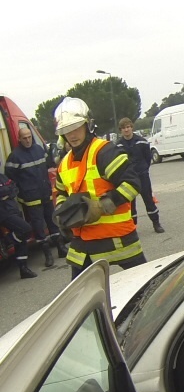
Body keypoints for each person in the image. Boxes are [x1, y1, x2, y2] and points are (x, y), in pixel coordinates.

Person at [52, 97, 147, 279]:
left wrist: (103, 205)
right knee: (80, 293)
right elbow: (61, 193)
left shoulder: (105, 152)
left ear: (87, 125)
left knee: (147, 284)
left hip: (117, 239)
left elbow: (132, 184)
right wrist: (62, 212)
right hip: (83, 244)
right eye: (67, 130)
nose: (72, 135)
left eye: (76, 127)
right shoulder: (64, 163)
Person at [5, 125, 65, 266]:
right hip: (31, 199)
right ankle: (47, 255)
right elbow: (10, 179)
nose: (27, 140)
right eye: (24, 138)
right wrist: (22, 193)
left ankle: (61, 248)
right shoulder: (15, 156)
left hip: (45, 194)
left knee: (52, 222)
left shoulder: (39, 149)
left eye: (29, 137)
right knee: (38, 227)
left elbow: (48, 165)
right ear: (19, 139)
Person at [116, 117, 164, 233]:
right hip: (128, 179)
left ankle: (156, 224)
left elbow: (148, 158)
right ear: (121, 130)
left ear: (132, 127)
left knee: (149, 201)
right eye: (123, 128)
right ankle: (132, 228)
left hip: (142, 176)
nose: (126, 130)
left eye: (128, 127)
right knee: (130, 205)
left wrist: (143, 169)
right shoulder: (118, 145)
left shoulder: (142, 142)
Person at [0, 172, 37, 278]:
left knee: (21, 237)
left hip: (12, 209)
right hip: (4, 212)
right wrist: (7, 192)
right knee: (25, 230)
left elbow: (14, 188)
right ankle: (5, 242)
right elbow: (8, 190)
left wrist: (6, 193)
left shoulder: (2, 176)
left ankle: (23, 268)